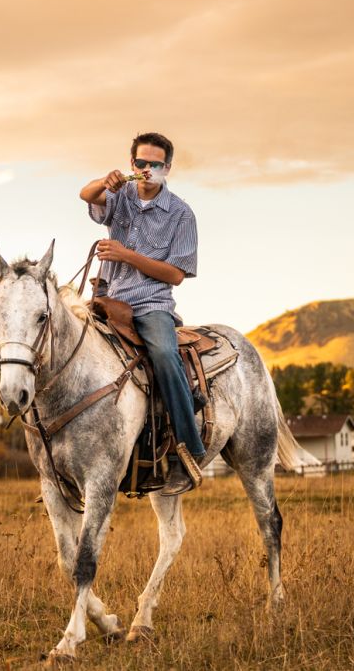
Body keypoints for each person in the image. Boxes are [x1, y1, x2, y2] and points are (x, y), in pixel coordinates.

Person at [79, 131, 204, 495]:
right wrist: (105, 180)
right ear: (131, 163)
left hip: (150, 304)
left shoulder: (181, 214)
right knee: (66, 346)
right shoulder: (120, 195)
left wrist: (127, 255)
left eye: (154, 164)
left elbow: (176, 275)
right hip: (108, 298)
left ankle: (187, 452)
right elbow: (85, 195)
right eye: (140, 163)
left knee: (165, 356)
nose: (146, 170)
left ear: (167, 168)